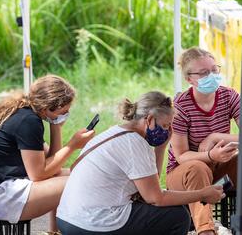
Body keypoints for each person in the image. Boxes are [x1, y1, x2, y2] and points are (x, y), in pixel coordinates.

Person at [56, 91, 225, 235]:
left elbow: (150, 188)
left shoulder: (114, 132)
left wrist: (160, 149)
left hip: (67, 218)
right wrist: (202, 194)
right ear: (149, 120)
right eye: (166, 126)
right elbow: (156, 198)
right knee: (177, 217)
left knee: (175, 211)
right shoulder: (134, 143)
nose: (167, 131)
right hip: (93, 222)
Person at [0, 75, 95, 232]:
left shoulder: (23, 113)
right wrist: (73, 145)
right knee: (76, 181)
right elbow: (38, 174)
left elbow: (53, 166)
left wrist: (56, 127)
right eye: (64, 110)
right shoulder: (28, 120)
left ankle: (53, 231)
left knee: (75, 173)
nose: (66, 113)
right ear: (48, 107)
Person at [166, 47, 242, 235]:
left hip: (220, 179)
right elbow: (181, 156)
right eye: (204, 73)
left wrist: (215, 137)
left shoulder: (229, 96)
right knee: (197, 167)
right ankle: (206, 230)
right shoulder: (180, 107)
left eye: (214, 70)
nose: (212, 76)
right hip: (184, 180)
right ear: (189, 79)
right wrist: (209, 155)